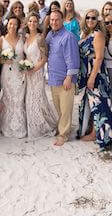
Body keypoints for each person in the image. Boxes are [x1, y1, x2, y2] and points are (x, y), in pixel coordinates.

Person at [76, 9, 112, 150]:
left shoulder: (98, 34)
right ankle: (92, 132)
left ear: (98, 20)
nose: (90, 20)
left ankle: (100, 137)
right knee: (91, 106)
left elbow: (99, 58)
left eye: (93, 18)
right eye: (88, 18)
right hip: (86, 74)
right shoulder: (85, 34)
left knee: (100, 107)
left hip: (96, 74)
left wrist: (92, 77)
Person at [46, 9, 80, 146]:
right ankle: (63, 127)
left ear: (62, 21)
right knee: (59, 108)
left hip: (65, 79)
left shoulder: (68, 36)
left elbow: (73, 58)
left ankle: (64, 134)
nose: (54, 22)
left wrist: (69, 77)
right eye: (52, 20)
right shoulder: (50, 35)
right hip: (53, 77)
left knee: (66, 108)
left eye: (57, 20)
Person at [23, 13, 57, 138]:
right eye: (30, 21)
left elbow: (44, 58)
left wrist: (33, 70)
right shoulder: (26, 38)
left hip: (36, 73)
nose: (32, 23)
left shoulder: (40, 38)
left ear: (38, 23)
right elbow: (26, 55)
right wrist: (25, 67)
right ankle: (31, 125)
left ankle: (40, 126)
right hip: (28, 73)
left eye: (35, 21)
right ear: (27, 23)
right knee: (29, 99)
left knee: (36, 98)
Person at [0, 15, 27, 138]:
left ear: (18, 26)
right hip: (7, 73)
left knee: (19, 99)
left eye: (15, 24)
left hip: (20, 72)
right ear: (7, 25)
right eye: (10, 24)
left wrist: (26, 67)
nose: (12, 26)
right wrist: (4, 60)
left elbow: (26, 55)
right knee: (8, 98)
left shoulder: (23, 39)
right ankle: (6, 125)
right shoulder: (0, 40)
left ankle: (20, 126)